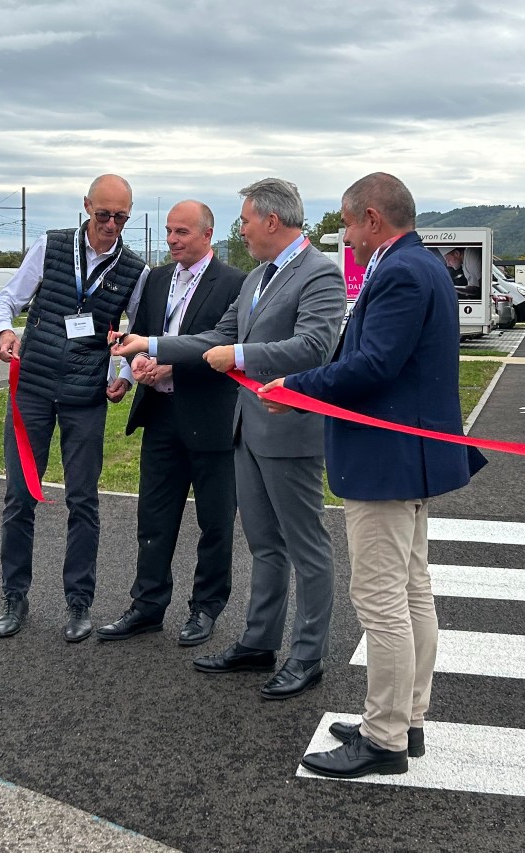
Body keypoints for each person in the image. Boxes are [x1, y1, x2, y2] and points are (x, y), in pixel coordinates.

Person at [259, 172, 486, 777]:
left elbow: (373, 365)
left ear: (373, 220)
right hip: (406, 456)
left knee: (382, 600)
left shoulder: (401, 271)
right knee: (411, 592)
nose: (346, 234)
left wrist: (297, 390)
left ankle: (384, 738)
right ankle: (405, 718)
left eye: (348, 222)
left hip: (386, 461)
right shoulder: (422, 265)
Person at [110, 177, 345, 700]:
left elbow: (314, 346)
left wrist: (238, 357)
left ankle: (307, 656)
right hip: (249, 429)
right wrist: (150, 343)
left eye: (244, 219)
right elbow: (219, 335)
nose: (240, 228)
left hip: (290, 431)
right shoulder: (259, 277)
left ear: (271, 221)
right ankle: (259, 643)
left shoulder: (320, 274)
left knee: (306, 548)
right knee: (264, 546)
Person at [0, 174, 149, 643]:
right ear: (86, 207)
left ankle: (79, 602)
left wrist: (122, 378)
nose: (112, 225)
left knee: (83, 501)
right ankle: (14, 596)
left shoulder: (133, 269)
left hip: (84, 399)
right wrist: (4, 332)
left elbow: (134, 334)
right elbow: (8, 299)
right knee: (20, 497)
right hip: (33, 390)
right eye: (104, 215)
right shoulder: (52, 245)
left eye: (121, 216)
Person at [96, 201, 246, 647]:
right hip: (160, 417)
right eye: (168, 231)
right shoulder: (158, 279)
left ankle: (205, 607)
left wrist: (174, 369)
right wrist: (128, 373)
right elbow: (137, 334)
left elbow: (228, 346)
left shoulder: (235, 283)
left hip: (210, 418)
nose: (172, 240)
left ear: (208, 235)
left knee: (215, 522)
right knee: (154, 517)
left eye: (182, 231)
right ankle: (147, 606)